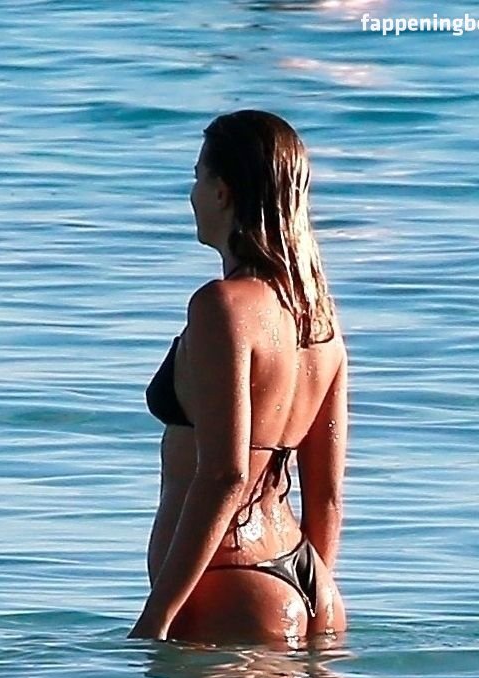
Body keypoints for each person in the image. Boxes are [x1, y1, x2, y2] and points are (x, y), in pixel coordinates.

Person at [128, 109, 347, 646]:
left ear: (222, 192)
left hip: (231, 582)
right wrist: (313, 591)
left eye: (198, 178)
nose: (193, 195)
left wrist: (154, 620)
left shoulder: (221, 307)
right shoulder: (319, 318)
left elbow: (225, 474)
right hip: (308, 578)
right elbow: (327, 497)